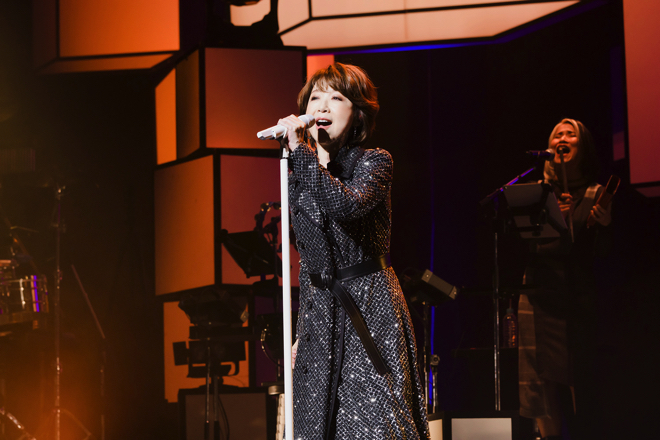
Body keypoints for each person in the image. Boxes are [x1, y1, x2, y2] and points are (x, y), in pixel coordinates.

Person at [276, 63, 430, 439]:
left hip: (368, 309)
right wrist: (302, 331)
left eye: (336, 97)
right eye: (315, 97)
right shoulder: (298, 175)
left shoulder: (374, 162)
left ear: (357, 113)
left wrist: (301, 154)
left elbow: (346, 205)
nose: (322, 106)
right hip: (320, 318)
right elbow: (310, 262)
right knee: (318, 425)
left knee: (372, 424)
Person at [517, 118, 611, 440]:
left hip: (575, 296)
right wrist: (555, 217)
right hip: (538, 294)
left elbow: (604, 255)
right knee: (538, 381)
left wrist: (604, 225)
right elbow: (526, 246)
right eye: (558, 134)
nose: (563, 138)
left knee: (577, 377)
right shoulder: (536, 193)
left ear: (582, 148)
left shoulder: (597, 194)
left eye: (571, 134)